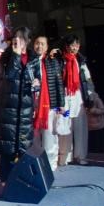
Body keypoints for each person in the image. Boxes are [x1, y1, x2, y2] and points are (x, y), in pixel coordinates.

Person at [0, 27, 40, 184]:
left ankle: (21, 181)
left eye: (21, 38)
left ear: (28, 41)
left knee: (24, 146)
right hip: (7, 108)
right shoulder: (4, 59)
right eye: (15, 38)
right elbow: (9, 77)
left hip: (25, 108)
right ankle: (5, 180)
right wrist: (16, 56)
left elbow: (38, 79)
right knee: (8, 147)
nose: (17, 41)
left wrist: (37, 83)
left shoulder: (34, 59)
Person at [56, 34, 97, 166]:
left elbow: (87, 80)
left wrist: (90, 96)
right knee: (65, 126)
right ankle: (65, 156)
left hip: (78, 97)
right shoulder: (60, 60)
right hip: (65, 96)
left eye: (76, 45)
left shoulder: (81, 60)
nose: (74, 48)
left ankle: (81, 156)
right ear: (66, 46)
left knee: (81, 128)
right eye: (71, 45)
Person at [30, 35, 66, 172]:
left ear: (46, 47)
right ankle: (35, 164)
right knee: (33, 136)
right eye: (37, 43)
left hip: (48, 104)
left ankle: (50, 164)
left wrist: (61, 103)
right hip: (32, 104)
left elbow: (59, 83)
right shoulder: (28, 61)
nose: (39, 46)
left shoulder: (52, 62)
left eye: (42, 44)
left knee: (49, 135)